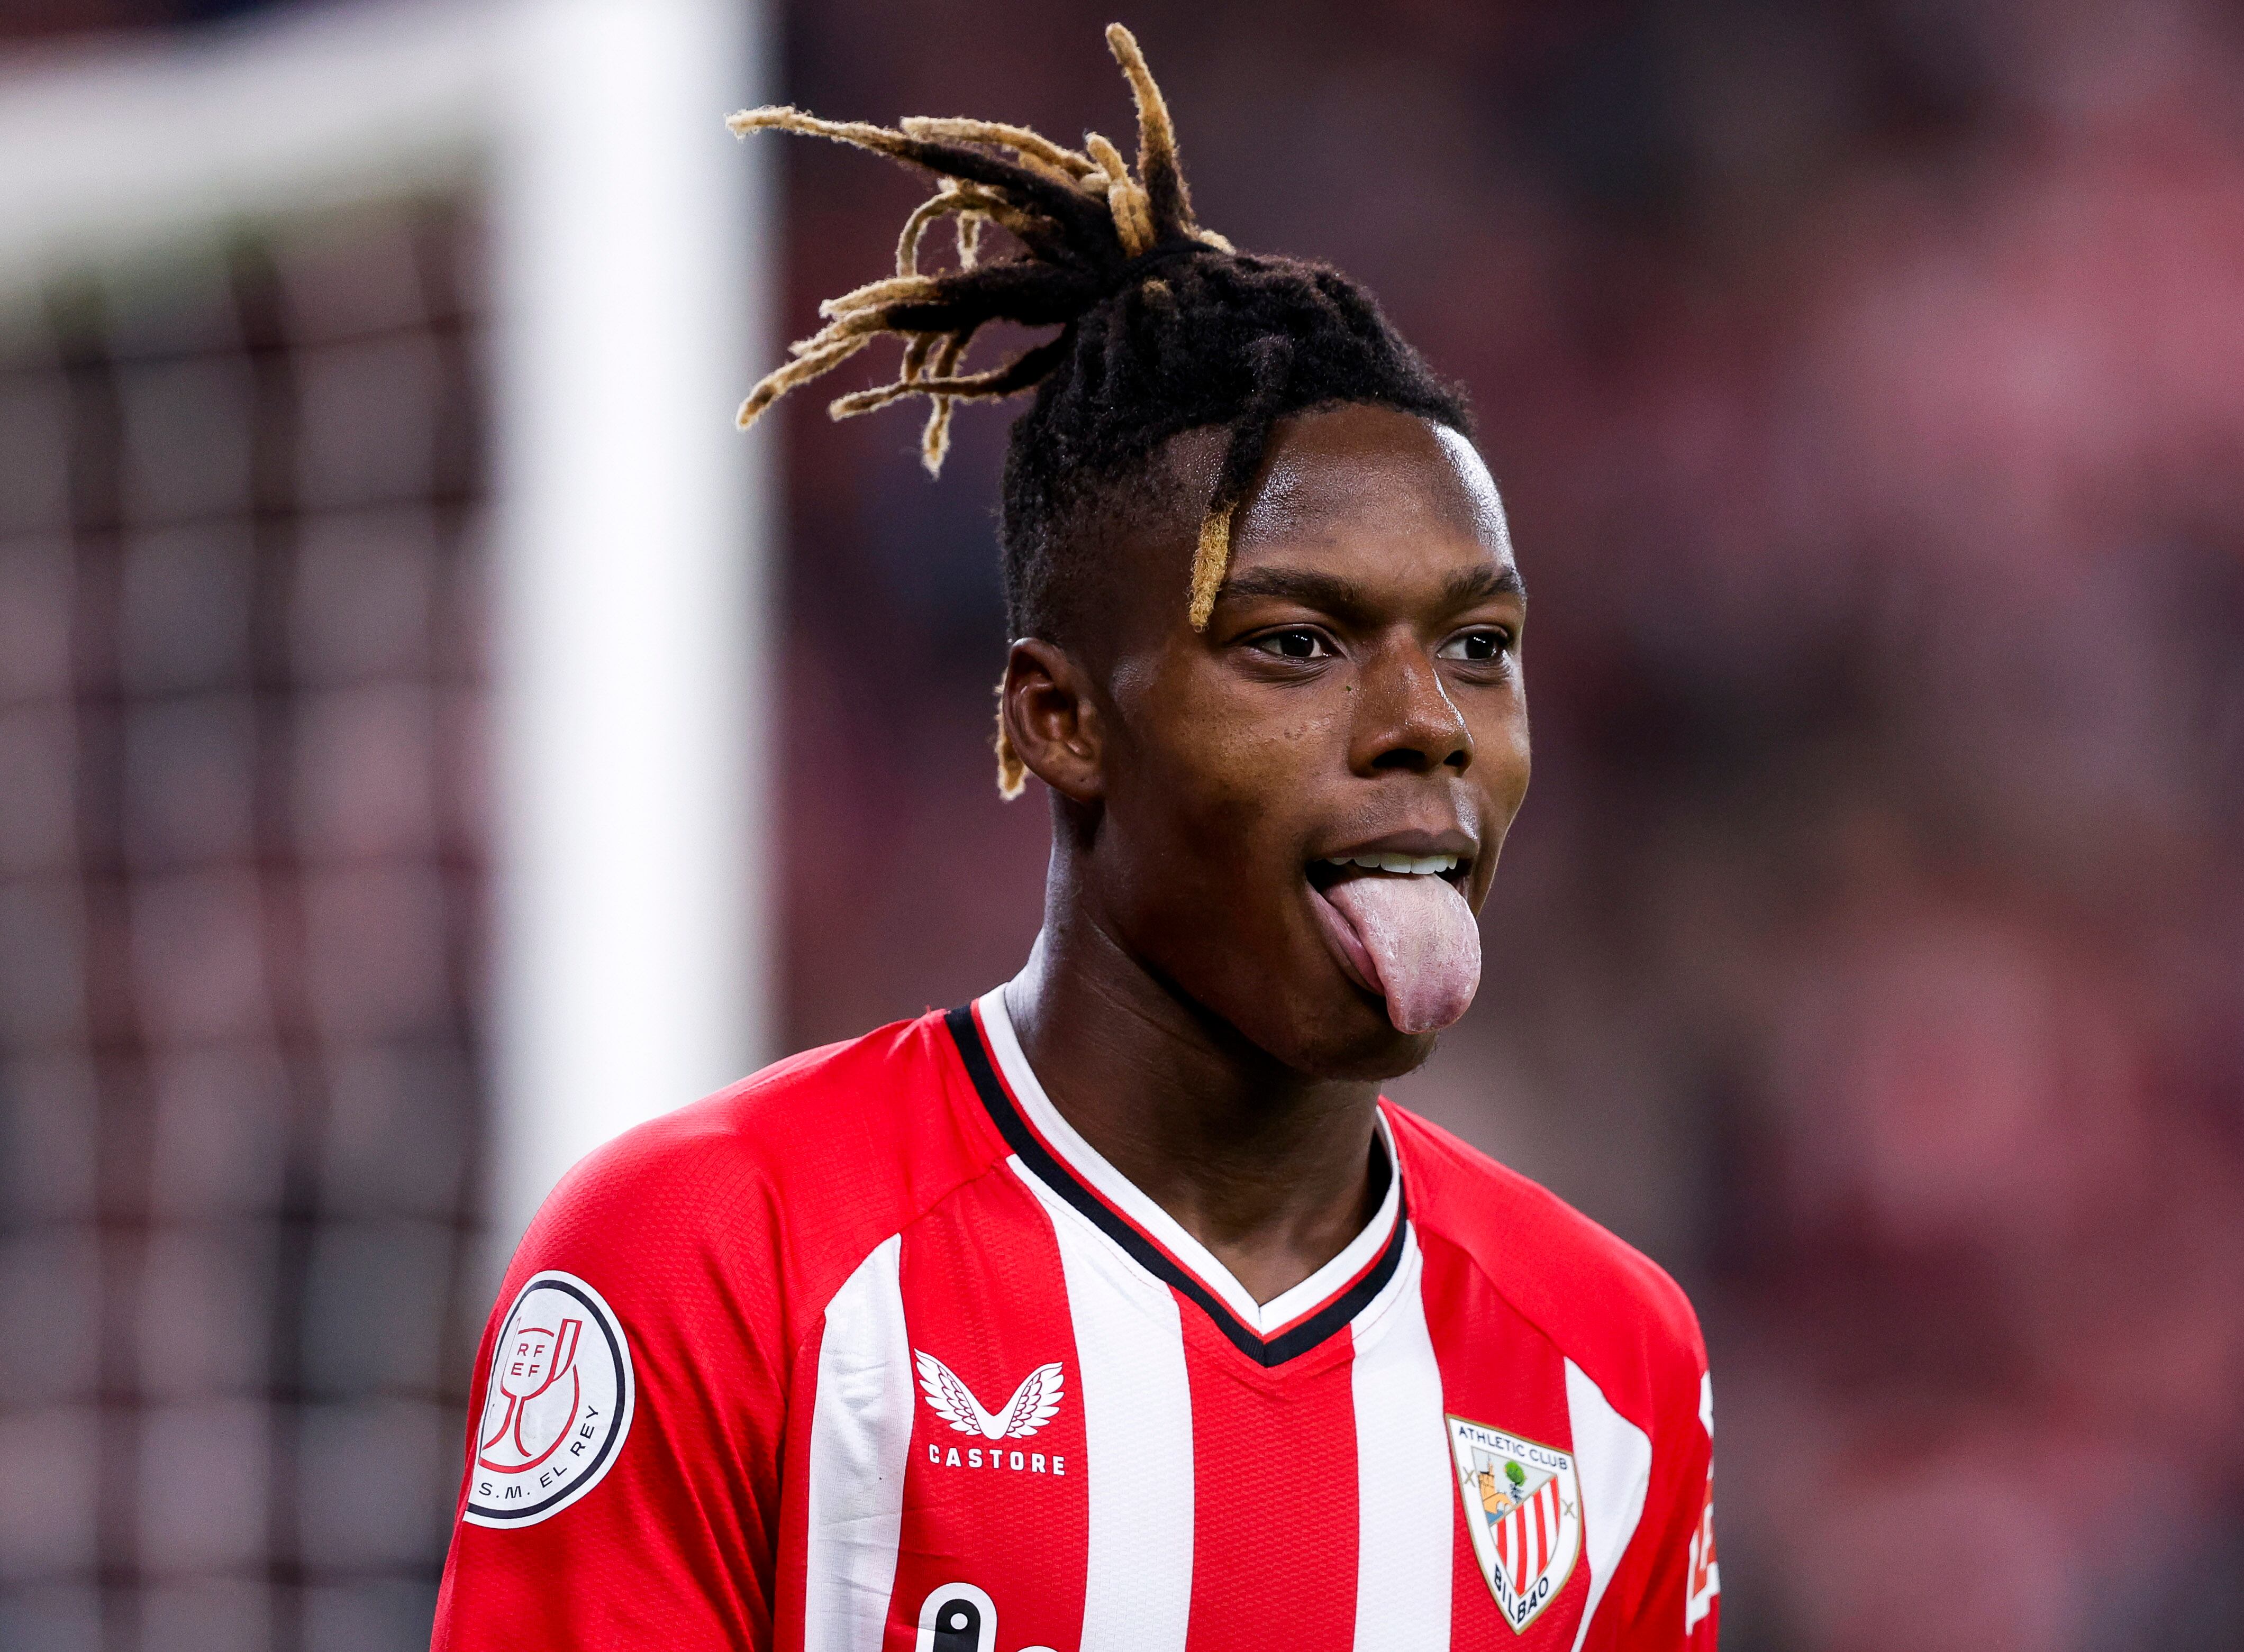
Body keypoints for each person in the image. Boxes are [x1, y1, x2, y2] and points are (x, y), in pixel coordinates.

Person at [430, 25, 1716, 1651]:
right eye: (1295, 644)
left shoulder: (1608, 1358)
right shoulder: (720, 1254)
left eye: (1477, 644)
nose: (1427, 724)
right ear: (1059, 719)